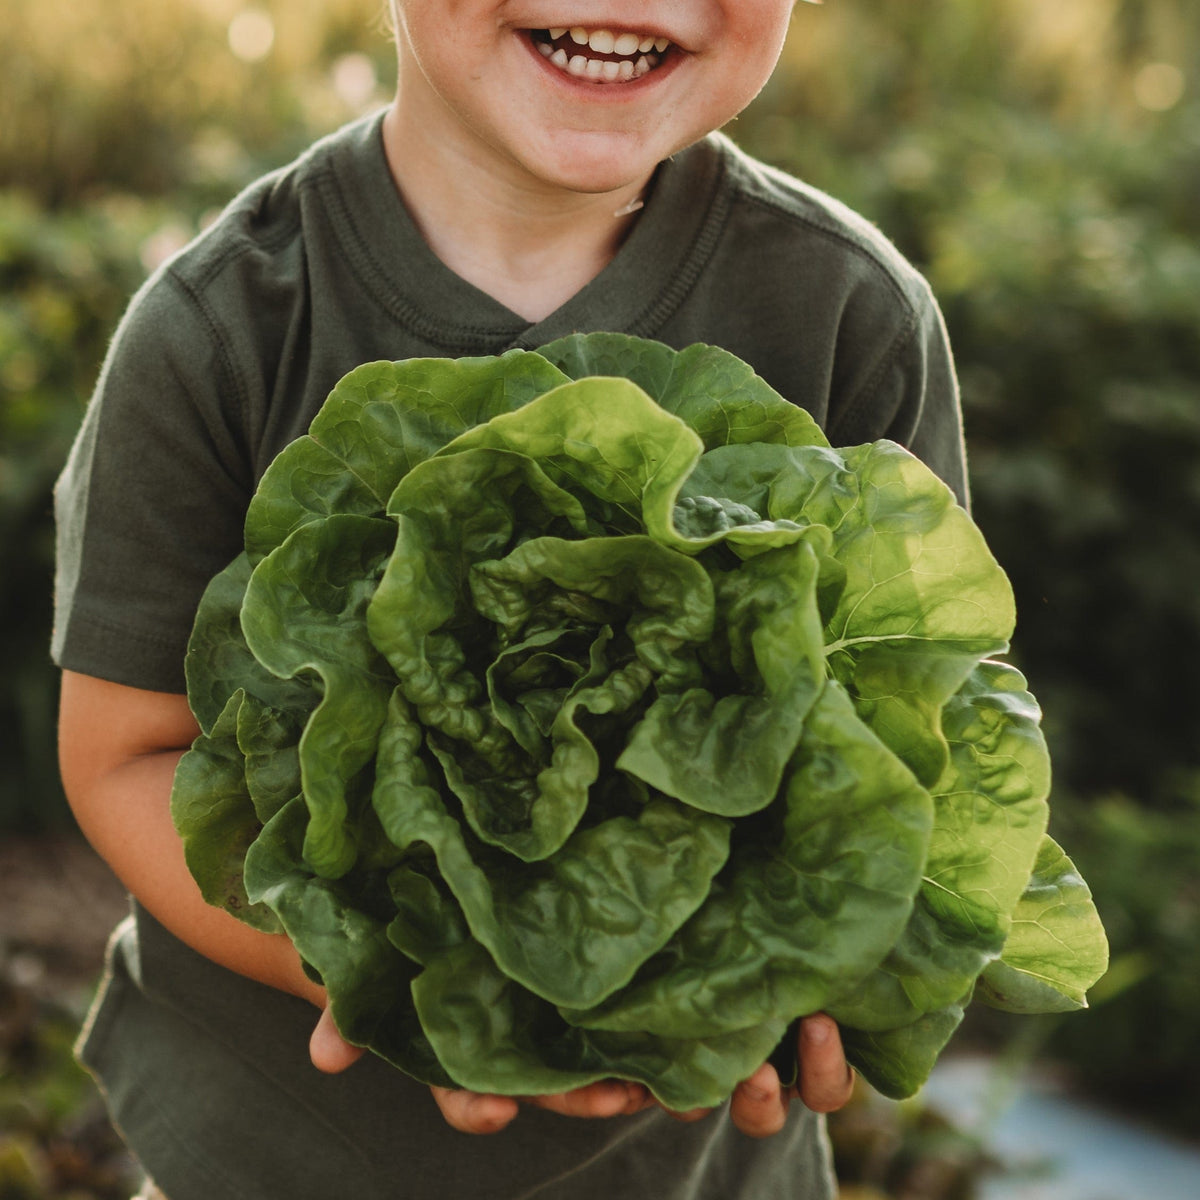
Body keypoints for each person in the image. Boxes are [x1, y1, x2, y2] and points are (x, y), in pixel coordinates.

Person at [54, 3, 968, 1198]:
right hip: (274, 1157)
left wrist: (828, 975)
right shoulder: (221, 330)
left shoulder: (849, 317)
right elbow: (123, 754)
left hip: (697, 1174)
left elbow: (931, 743)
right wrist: (360, 969)